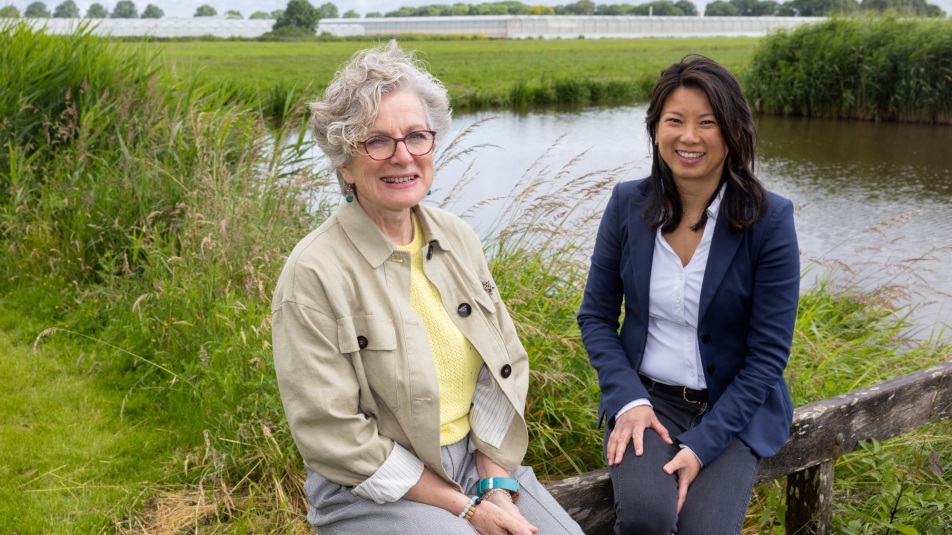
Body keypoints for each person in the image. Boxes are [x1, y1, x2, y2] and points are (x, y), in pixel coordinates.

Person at [271, 41, 584, 535]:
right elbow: (333, 433)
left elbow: (503, 366)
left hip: (479, 466)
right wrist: (464, 509)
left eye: (416, 136)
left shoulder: (456, 236)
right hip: (372, 489)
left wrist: (495, 489)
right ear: (344, 163)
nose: (402, 156)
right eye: (377, 141)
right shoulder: (314, 272)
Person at [577, 55, 800, 535]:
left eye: (707, 122)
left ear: (734, 131)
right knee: (646, 517)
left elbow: (767, 357)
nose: (689, 137)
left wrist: (701, 446)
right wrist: (628, 400)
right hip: (648, 403)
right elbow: (595, 317)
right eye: (674, 121)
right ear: (655, 128)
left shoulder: (770, 221)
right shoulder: (626, 204)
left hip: (733, 408)